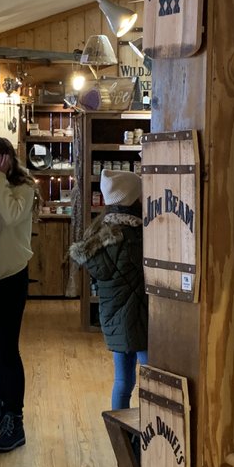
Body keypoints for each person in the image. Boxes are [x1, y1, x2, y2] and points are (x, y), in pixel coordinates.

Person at [0, 135, 38, 452]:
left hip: (11, 277)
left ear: (8, 159)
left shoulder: (22, 186)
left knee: (7, 348)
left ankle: (16, 420)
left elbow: (12, 216)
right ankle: (2, 407)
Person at [68, 169, 148, 410]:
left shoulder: (99, 233)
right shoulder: (135, 236)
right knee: (154, 380)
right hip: (141, 318)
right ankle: (150, 432)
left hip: (115, 319)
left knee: (123, 383)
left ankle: (120, 435)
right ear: (134, 198)